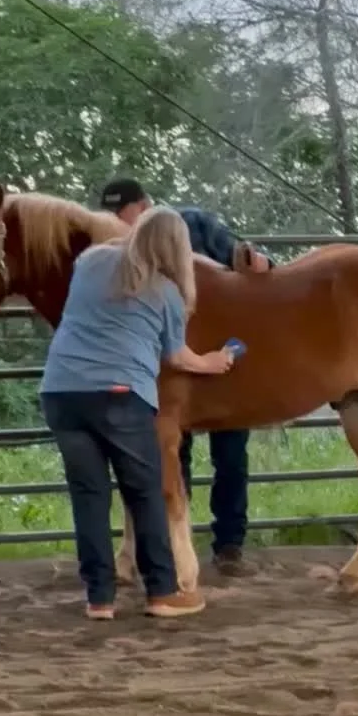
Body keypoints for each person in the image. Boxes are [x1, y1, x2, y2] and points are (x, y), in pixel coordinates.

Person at [39, 206, 235, 620]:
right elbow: (178, 356)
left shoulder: (90, 262)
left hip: (61, 390)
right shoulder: (166, 293)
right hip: (119, 393)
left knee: (89, 496)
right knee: (144, 491)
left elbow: (107, 252)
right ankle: (162, 592)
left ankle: (99, 598)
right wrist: (214, 362)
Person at [99, 177, 274, 577]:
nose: (119, 224)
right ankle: (178, 546)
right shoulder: (118, 248)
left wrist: (256, 261)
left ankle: (229, 544)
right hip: (168, 365)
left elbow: (244, 261)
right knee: (174, 457)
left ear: (143, 206)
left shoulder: (194, 224)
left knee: (230, 453)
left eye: (123, 213)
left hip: (217, 360)